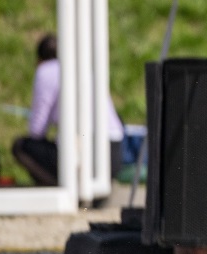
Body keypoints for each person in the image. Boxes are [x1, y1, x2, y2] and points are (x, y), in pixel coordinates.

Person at [12, 33, 125, 188]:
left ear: (39, 60)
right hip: (113, 155)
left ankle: (64, 189)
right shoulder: (81, 66)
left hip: (81, 154)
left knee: (21, 146)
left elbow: (37, 130)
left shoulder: (45, 71)